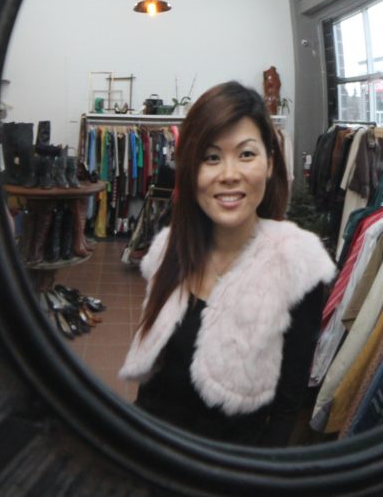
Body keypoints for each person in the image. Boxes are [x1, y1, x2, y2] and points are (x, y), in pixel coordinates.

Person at [119, 81, 335, 446]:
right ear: (191, 170)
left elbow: (286, 406)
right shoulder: (170, 252)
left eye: (246, 154)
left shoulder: (296, 268)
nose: (229, 174)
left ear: (269, 162)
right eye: (211, 157)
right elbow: (153, 383)